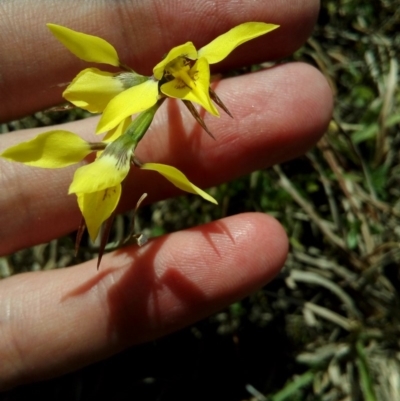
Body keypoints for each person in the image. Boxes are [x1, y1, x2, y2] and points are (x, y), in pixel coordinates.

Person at [0, 0, 332, 390]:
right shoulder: (131, 106)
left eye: (184, 70)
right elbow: (130, 95)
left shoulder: (152, 91)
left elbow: (219, 49)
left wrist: (166, 91)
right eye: (178, 72)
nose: (183, 75)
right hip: (127, 101)